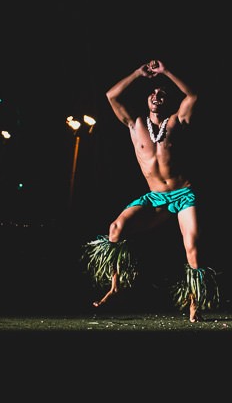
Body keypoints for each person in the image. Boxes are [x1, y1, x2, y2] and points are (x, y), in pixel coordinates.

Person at [84, 59, 219, 322]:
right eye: (153, 93)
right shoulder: (134, 125)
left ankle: (194, 304)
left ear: (167, 101)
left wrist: (166, 71)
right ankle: (115, 286)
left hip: (183, 195)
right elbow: (111, 95)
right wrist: (138, 73)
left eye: (163, 94)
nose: (157, 96)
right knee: (116, 229)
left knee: (192, 247)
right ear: (147, 99)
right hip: (156, 197)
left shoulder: (177, 122)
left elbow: (193, 95)